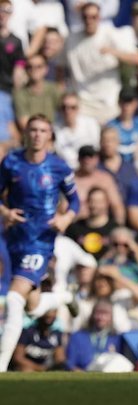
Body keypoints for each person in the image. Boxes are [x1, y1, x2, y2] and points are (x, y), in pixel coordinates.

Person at [0, 114, 80, 372]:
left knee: (13, 298)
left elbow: (75, 202)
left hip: (41, 241)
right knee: (32, 308)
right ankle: (63, 296)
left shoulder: (59, 167)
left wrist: (65, 218)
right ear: (26, 134)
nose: (37, 135)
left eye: (42, 130)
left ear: (50, 136)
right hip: (15, 239)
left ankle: (1, 365)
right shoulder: (11, 162)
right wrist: (6, 213)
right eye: (33, 130)